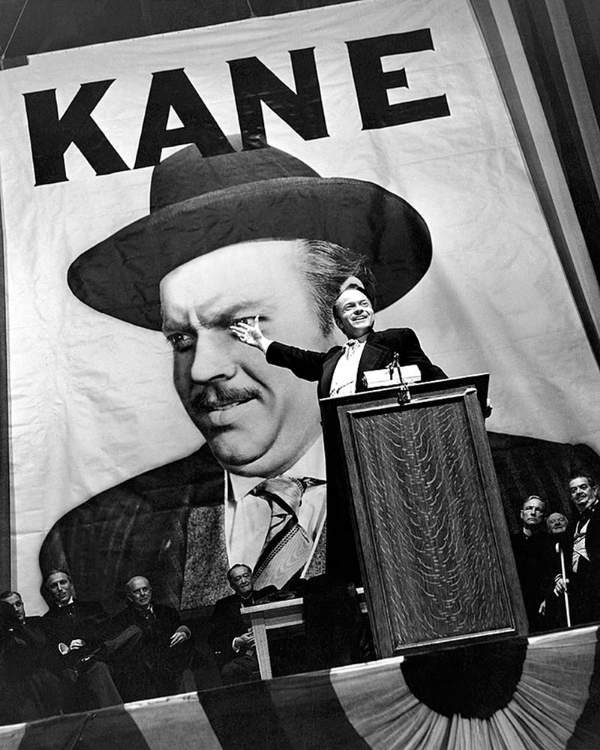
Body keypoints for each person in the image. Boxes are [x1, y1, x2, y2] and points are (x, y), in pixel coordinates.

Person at [40, 141, 438, 611]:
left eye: (239, 327)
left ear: (338, 316)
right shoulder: (92, 540)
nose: (203, 369)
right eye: (181, 340)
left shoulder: (505, 476)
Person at [230, 283, 445, 399]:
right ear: (340, 323)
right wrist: (261, 341)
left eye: (364, 304)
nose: (359, 309)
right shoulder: (332, 358)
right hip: (341, 440)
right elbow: (297, 358)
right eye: (350, 307)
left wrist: (474, 399)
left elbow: (429, 374)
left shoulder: (396, 339)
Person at [40, 570, 123, 711]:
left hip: (99, 656)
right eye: (54, 586)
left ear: (70, 584)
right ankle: (117, 717)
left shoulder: (92, 608)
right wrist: (64, 649)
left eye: (63, 582)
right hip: (73, 667)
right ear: (49, 591)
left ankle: (117, 717)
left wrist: (85, 641)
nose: (60, 588)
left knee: (100, 665)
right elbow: (51, 652)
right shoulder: (46, 621)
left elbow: (107, 633)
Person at [107, 576, 194, 702]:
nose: (142, 594)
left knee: (185, 672)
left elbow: (184, 631)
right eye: (137, 591)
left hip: (172, 665)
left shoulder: (167, 612)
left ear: (151, 591)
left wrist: (184, 632)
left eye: (145, 589)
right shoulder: (121, 620)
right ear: (130, 597)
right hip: (142, 672)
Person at [0, 591, 64, 721]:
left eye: (18, 604)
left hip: (54, 667)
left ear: (23, 604)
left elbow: (57, 643)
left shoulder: (39, 622)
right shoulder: (9, 634)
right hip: (35, 675)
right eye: (10, 607)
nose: (16, 609)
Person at [209, 564, 276, 685]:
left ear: (251, 577)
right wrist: (238, 641)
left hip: (274, 649)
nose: (244, 581)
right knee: (229, 670)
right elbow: (215, 638)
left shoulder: (269, 594)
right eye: (238, 579)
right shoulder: (223, 606)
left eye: (246, 576)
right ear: (232, 585)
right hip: (248, 655)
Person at [510, 496, 555, 632]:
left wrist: (549, 598)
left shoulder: (550, 541)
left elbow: (553, 571)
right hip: (518, 602)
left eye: (538, 509)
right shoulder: (511, 542)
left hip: (543, 603)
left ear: (544, 516)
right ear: (521, 513)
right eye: (529, 508)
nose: (533, 512)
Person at [564, 474, 600, 625]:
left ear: (595, 490)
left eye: (583, 487)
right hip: (581, 588)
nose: (578, 492)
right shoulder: (573, 525)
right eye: (573, 490)